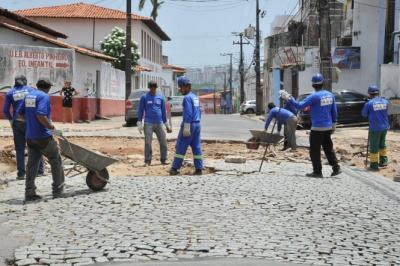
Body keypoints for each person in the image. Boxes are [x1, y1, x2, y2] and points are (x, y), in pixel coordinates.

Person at [282, 73, 341, 178]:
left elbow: (299, 106)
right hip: (328, 127)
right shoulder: (330, 95)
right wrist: (334, 123)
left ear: (313, 85)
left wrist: (289, 98)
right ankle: (336, 167)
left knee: (314, 150)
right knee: (328, 148)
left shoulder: (314, 96)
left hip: (317, 128)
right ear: (323, 83)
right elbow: (334, 111)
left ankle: (317, 171)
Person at [18, 78, 65, 201]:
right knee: (56, 159)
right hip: (43, 136)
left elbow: (20, 114)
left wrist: (31, 122)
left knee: (32, 165)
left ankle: (29, 192)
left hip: (30, 136)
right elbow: (40, 115)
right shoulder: (44, 96)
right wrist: (52, 128)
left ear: (37, 85)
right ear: (48, 87)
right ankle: (58, 189)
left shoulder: (28, 96)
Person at [3, 75, 45, 180]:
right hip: (31, 122)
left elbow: (5, 110)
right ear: (25, 81)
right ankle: (39, 171)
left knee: (19, 149)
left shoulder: (10, 93)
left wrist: (11, 120)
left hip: (17, 123)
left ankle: (21, 174)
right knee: (36, 145)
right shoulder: (31, 90)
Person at [170, 76, 203, 175]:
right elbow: (199, 111)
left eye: (181, 87)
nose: (180, 90)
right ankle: (199, 169)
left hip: (189, 124)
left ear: (186, 87)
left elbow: (188, 113)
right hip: (197, 124)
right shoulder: (195, 97)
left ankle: (174, 168)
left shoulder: (187, 98)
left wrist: (187, 126)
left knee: (181, 146)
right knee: (196, 147)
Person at [136, 81, 172, 166]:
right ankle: (147, 161)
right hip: (148, 123)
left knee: (163, 141)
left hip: (159, 123)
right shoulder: (144, 97)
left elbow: (163, 111)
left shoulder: (161, 97)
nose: (152, 89)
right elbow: (140, 110)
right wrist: (139, 121)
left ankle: (164, 159)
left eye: (154, 87)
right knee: (148, 142)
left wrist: (166, 123)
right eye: (151, 88)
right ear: (149, 88)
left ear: (156, 88)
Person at [361, 85, 389, 171]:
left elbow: (364, 114)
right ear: (378, 93)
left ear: (370, 94)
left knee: (374, 146)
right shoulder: (385, 101)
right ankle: (383, 161)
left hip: (375, 128)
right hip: (385, 126)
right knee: (382, 144)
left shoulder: (369, 103)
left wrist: (366, 105)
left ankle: (374, 165)